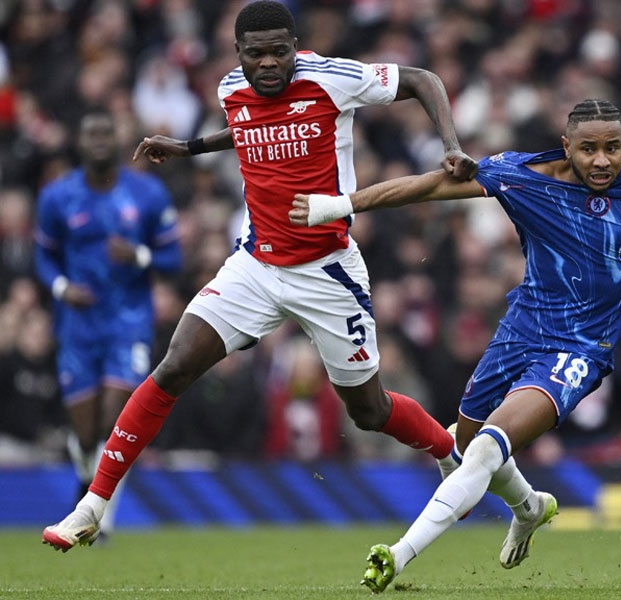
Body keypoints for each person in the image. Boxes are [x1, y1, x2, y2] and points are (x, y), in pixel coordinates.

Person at [42, 0, 477, 551]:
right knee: (174, 366)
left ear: (296, 48)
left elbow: (422, 78)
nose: (269, 63)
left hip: (327, 272)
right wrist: (192, 147)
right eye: (257, 54)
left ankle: (447, 453)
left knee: (369, 411)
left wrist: (452, 147)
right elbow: (247, 128)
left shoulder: (332, 77)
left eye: (280, 52)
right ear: (238, 55)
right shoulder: (230, 89)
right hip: (255, 264)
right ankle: (92, 506)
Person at [290, 99, 621, 592]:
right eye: (589, 149)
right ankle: (530, 507)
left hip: (580, 350)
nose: (602, 161)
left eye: (613, 148)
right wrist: (341, 205)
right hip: (518, 332)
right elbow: (431, 187)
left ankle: (398, 553)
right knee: (466, 444)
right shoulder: (520, 175)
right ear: (567, 147)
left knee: (485, 452)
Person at [34, 109, 182, 540]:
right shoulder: (58, 197)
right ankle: (87, 483)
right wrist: (62, 288)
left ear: (117, 138)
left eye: (105, 132)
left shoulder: (147, 193)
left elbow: (173, 261)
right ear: (80, 142)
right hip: (77, 323)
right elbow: (44, 256)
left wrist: (137, 256)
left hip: (128, 321)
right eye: (90, 133)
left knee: (111, 419)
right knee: (84, 433)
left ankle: (100, 515)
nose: (98, 140)